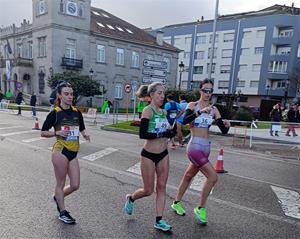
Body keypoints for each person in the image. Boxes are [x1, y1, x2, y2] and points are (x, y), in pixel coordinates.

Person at [170, 79, 230, 225]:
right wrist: (200, 112)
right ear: (200, 90)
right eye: (205, 90)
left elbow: (223, 130)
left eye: (210, 91)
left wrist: (227, 125)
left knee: (189, 176)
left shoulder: (214, 109)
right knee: (213, 177)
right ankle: (200, 208)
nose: (207, 93)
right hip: (195, 148)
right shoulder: (193, 105)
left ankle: (176, 202)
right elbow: (184, 121)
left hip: (206, 148)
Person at [124, 83, 176, 232]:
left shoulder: (164, 113)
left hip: (163, 154)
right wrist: (162, 134)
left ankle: (159, 220)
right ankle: (131, 198)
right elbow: (143, 134)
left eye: (163, 93)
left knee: (161, 187)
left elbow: (167, 131)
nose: (162, 96)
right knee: (148, 190)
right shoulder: (148, 110)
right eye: (159, 93)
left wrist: (171, 135)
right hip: (148, 155)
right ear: (152, 95)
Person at [41, 81, 90, 224]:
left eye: (71, 94)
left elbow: (81, 128)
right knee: (60, 183)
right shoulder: (55, 113)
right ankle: (62, 212)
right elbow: (43, 132)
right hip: (60, 151)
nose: (70, 96)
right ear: (59, 95)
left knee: (75, 185)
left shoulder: (76, 112)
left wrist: (85, 134)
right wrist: (57, 132)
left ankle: (58, 197)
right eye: (66, 94)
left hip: (73, 152)